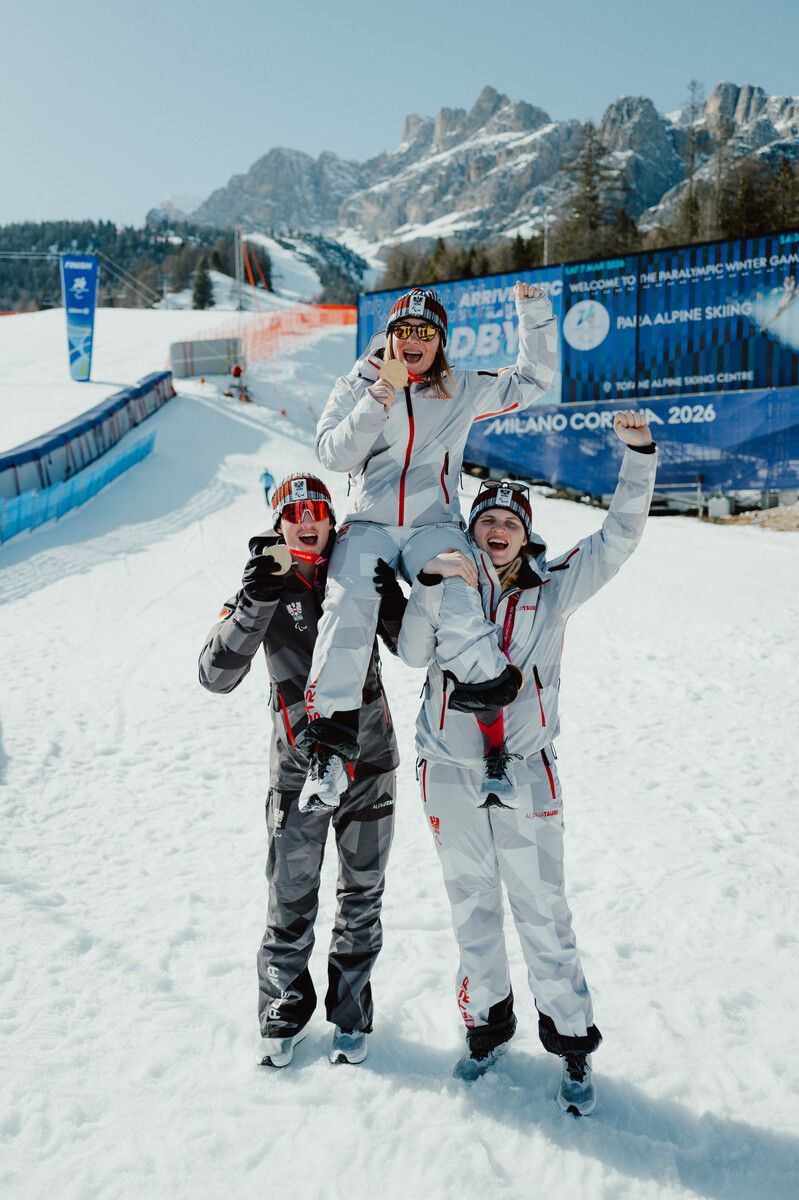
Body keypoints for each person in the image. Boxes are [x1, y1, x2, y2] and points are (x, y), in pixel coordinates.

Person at [381, 412, 658, 1114]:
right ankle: (485, 1028)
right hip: (448, 769)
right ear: (472, 527)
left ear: (525, 532)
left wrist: (639, 460)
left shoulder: (554, 585)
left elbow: (618, 538)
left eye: (509, 521)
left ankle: (570, 1045)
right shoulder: (450, 581)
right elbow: (413, 653)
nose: (497, 530)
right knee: (471, 909)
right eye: (486, 520)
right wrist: (423, 589)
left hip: (527, 772)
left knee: (542, 911)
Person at [298, 282, 559, 812]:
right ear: (389, 338)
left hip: (432, 524)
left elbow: (532, 379)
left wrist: (533, 316)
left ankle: (495, 750)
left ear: (440, 341)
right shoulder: (358, 383)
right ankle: (328, 755)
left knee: (460, 594)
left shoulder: (458, 388)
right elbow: (332, 453)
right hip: (369, 523)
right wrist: (377, 397)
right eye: (403, 332)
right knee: (347, 599)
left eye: (424, 332)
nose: (412, 340)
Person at [198, 473, 400, 1069]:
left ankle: (351, 1009)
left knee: (362, 891)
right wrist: (253, 604)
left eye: (318, 509)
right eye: (295, 512)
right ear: (279, 523)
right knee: (290, 893)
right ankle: (283, 1003)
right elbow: (215, 674)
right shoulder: (263, 580)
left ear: (332, 518)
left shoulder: (355, 568)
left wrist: (392, 597)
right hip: (298, 768)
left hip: (370, 760)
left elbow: (410, 640)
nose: (307, 520)